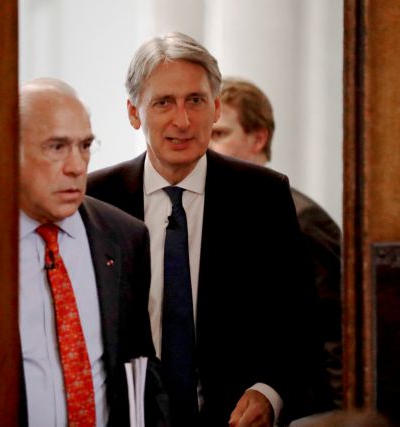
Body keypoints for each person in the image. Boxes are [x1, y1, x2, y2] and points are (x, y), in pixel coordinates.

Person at [87, 32, 333, 426]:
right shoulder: (96, 200)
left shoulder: (264, 196)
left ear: (215, 107)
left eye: (196, 101)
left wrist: (269, 393)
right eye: (164, 102)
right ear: (134, 113)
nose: (182, 121)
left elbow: (300, 329)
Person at [18, 78, 168, 427]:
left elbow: (140, 366)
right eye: (57, 147)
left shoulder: (125, 236)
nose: (76, 166)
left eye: (85, 146)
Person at [210, 77, 343, 407]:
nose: (206, 146)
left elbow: (334, 338)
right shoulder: (210, 213)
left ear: (258, 138)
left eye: (220, 134)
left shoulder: (303, 219)